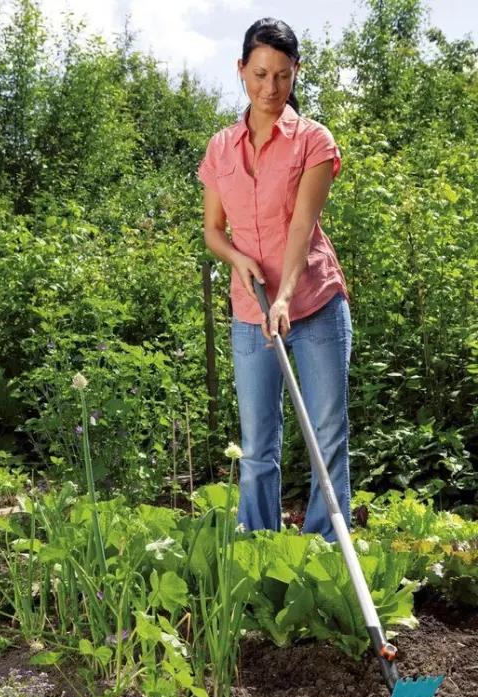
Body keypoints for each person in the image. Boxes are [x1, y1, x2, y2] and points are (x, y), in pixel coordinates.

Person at [197, 18, 352, 542]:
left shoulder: (313, 141)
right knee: (257, 442)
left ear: (296, 73)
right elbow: (213, 231)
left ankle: (324, 552)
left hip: (314, 305)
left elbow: (301, 229)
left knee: (326, 436)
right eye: (260, 74)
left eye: (283, 76)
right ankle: (258, 550)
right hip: (250, 311)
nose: (271, 87)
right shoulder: (221, 148)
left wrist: (283, 297)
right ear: (241, 70)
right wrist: (236, 257)